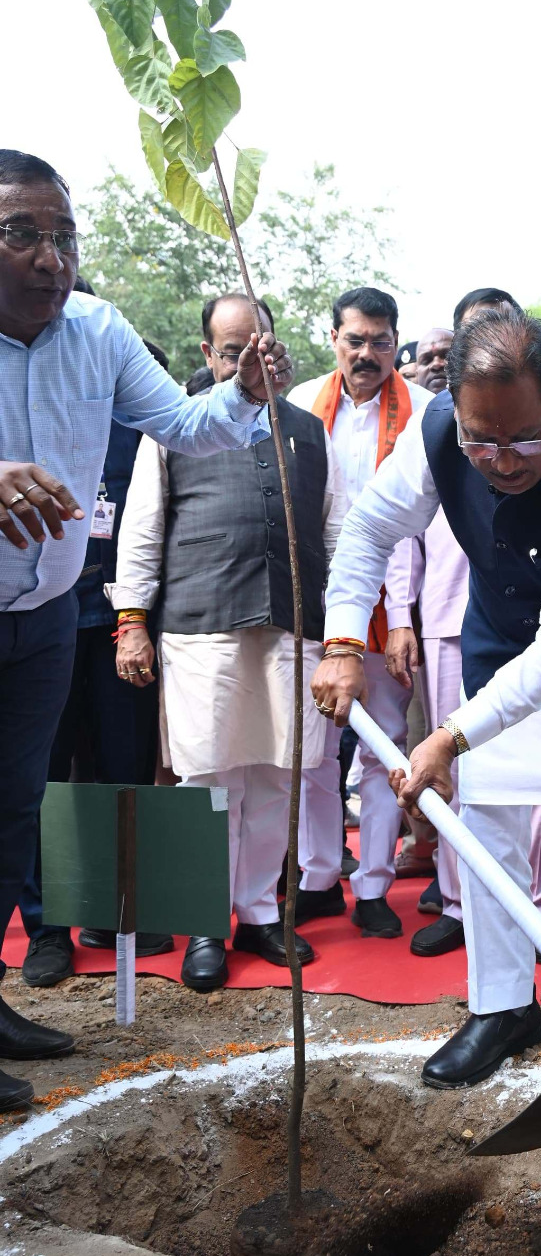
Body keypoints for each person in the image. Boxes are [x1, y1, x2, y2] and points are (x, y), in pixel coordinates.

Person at [312, 308, 541, 1127]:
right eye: (483, 442)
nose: (503, 461)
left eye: (525, 438)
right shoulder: (437, 431)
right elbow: (370, 530)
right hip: (502, 644)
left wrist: (449, 735)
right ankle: (504, 1008)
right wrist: (343, 640)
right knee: (486, 828)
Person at [0, 150, 291, 1110]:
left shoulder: (99, 331)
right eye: (23, 233)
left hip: (47, 616)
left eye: (64, 236)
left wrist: (245, 392)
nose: (52, 258)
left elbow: (188, 427)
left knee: (15, 814)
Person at [109, 294, 344, 989]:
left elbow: (335, 531)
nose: (249, 361)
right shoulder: (175, 429)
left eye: (259, 346)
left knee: (275, 777)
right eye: (233, 351)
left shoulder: (309, 430)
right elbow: (141, 530)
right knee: (207, 781)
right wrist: (131, 623)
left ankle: (261, 911)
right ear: (211, 356)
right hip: (200, 629)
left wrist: (340, 632)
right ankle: (207, 924)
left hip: (291, 629)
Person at [19, 321, 173, 989]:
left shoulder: (153, 434)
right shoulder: (42, 414)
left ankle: (121, 912)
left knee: (124, 770)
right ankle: (46, 927)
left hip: (125, 629)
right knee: (41, 779)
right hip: (43, 621)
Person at [290, 288, 430, 938]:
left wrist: (400, 616)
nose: (367, 353)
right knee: (313, 752)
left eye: (380, 341)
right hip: (312, 602)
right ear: (334, 339)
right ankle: (318, 878)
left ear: (395, 342)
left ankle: (373, 885)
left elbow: (412, 529)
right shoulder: (299, 405)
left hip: (389, 605)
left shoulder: (422, 411)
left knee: (383, 749)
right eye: (355, 340)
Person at [402, 325, 471, 956]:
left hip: (528, 630)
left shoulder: (530, 418)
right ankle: (455, 902)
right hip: (446, 618)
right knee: (446, 767)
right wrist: (401, 617)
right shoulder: (428, 428)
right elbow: (400, 534)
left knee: (519, 775)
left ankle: (532, 904)